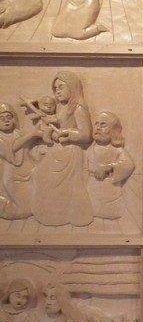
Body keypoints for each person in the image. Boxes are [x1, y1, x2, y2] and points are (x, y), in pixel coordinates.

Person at [31, 71, 93, 226]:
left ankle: (66, 215)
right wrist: (51, 122)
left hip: (71, 152)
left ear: (72, 87)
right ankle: (51, 214)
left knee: (64, 185)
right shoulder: (61, 106)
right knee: (40, 175)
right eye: (55, 88)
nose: (57, 91)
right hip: (59, 150)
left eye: (61, 87)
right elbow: (59, 122)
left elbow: (86, 134)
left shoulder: (78, 108)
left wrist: (66, 133)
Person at [85, 110, 135, 220]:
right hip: (91, 188)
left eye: (103, 125)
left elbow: (128, 164)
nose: (98, 128)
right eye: (96, 124)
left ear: (113, 130)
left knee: (109, 211)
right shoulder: (89, 149)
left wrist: (109, 167)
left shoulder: (116, 150)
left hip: (109, 192)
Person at [0, 102, 41, 220]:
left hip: (30, 173)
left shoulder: (19, 133)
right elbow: (12, 148)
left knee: (38, 202)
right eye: (1, 118)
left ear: (14, 119)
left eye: (9, 117)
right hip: (13, 178)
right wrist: (32, 134)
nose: (6, 120)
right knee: (26, 209)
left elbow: (32, 148)